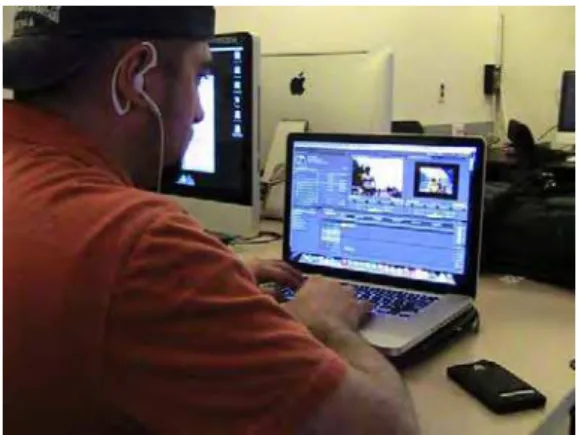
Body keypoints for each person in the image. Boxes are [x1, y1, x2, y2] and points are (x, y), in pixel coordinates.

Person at [4, 6, 418, 435]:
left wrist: (215, 280)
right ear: (135, 77)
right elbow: (388, 426)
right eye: (199, 77)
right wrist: (324, 324)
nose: (201, 113)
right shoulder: (143, 243)